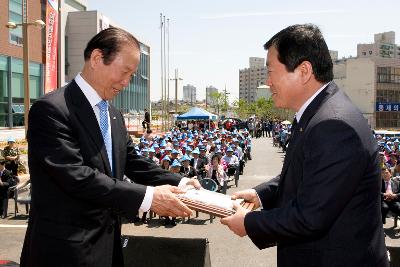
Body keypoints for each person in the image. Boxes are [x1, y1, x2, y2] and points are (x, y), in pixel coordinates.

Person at [20, 27, 200, 267]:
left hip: (107, 247)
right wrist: (148, 197)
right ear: (97, 58)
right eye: (125, 72)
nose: (126, 82)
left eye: (132, 76)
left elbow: (132, 160)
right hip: (64, 251)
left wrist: (179, 182)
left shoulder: (113, 115)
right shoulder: (52, 110)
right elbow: (77, 177)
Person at [221, 24, 388, 266]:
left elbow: (310, 216)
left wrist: (249, 222)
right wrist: (260, 195)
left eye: (271, 72)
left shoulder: (333, 125)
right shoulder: (317, 114)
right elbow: (307, 173)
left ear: (304, 70)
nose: (268, 82)